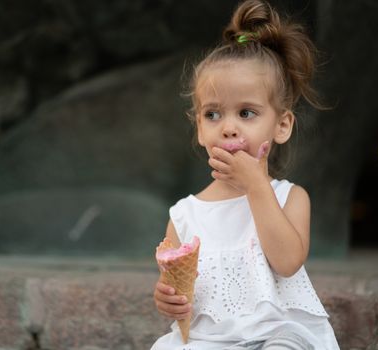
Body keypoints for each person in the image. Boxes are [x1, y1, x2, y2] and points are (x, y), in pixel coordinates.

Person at [151, 0, 340, 349]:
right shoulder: (185, 215)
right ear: (198, 129)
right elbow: (177, 293)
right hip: (210, 339)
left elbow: (286, 263)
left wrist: (255, 185)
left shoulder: (290, 197)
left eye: (247, 113)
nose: (228, 128)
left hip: (278, 333)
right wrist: (167, 299)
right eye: (212, 115)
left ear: (281, 125)